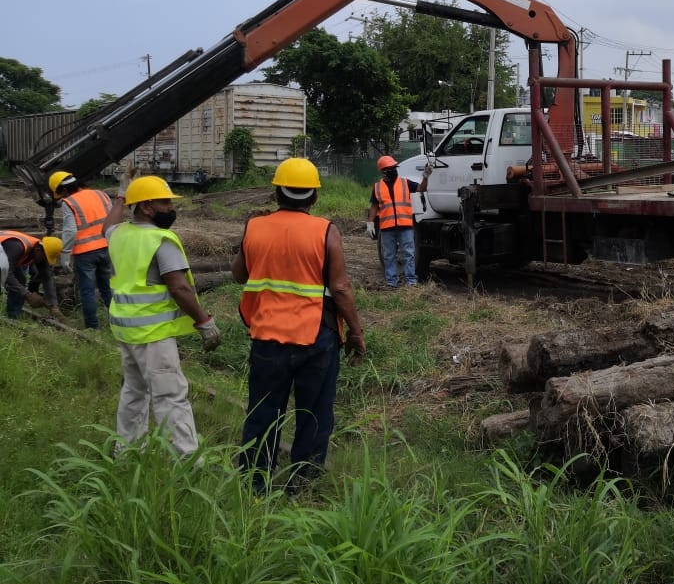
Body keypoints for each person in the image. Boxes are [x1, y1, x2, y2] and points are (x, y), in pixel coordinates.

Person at [232, 157, 367, 495]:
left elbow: (239, 275)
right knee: (314, 414)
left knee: (262, 413)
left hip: (266, 336)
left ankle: (254, 485)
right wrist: (356, 332)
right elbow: (340, 288)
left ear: (276, 192)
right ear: (314, 197)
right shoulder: (325, 231)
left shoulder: (255, 226)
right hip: (315, 338)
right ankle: (300, 487)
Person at [105, 175, 221, 457]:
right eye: (165, 202)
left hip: (126, 331)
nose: (171, 208)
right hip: (153, 335)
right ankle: (187, 462)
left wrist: (121, 198)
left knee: (134, 393)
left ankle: (128, 452)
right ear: (146, 207)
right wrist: (204, 322)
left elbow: (106, 226)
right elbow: (179, 287)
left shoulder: (119, 234)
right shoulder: (161, 240)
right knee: (170, 396)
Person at [49, 170, 113, 329]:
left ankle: (92, 328)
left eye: (60, 194)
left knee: (88, 291)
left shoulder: (69, 202)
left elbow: (70, 231)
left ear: (63, 190)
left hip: (85, 253)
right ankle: (118, 323)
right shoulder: (101, 194)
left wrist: (65, 255)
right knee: (108, 288)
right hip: (107, 247)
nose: (62, 198)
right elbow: (113, 218)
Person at [367, 155, 431, 288]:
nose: (393, 170)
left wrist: (425, 176)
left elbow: (421, 188)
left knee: (409, 254)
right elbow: (374, 206)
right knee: (389, 255)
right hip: (387, 227)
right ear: (383, 171)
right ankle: (391, 282)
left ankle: (411, 282)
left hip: (405, 225)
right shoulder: (378, 187)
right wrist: (370, 222)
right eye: (390, 168)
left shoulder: (405, 183)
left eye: (394, 168)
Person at [0, 231, 61, 318]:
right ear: (38, 250)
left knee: (20, 280)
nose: (44, 261)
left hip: (4, 257)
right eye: (45, 257)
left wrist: (54, 305)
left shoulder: (39, 251)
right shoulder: (17, 247)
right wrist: (27, 294)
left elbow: (47, 278)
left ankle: (13, 315)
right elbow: (6, 275)